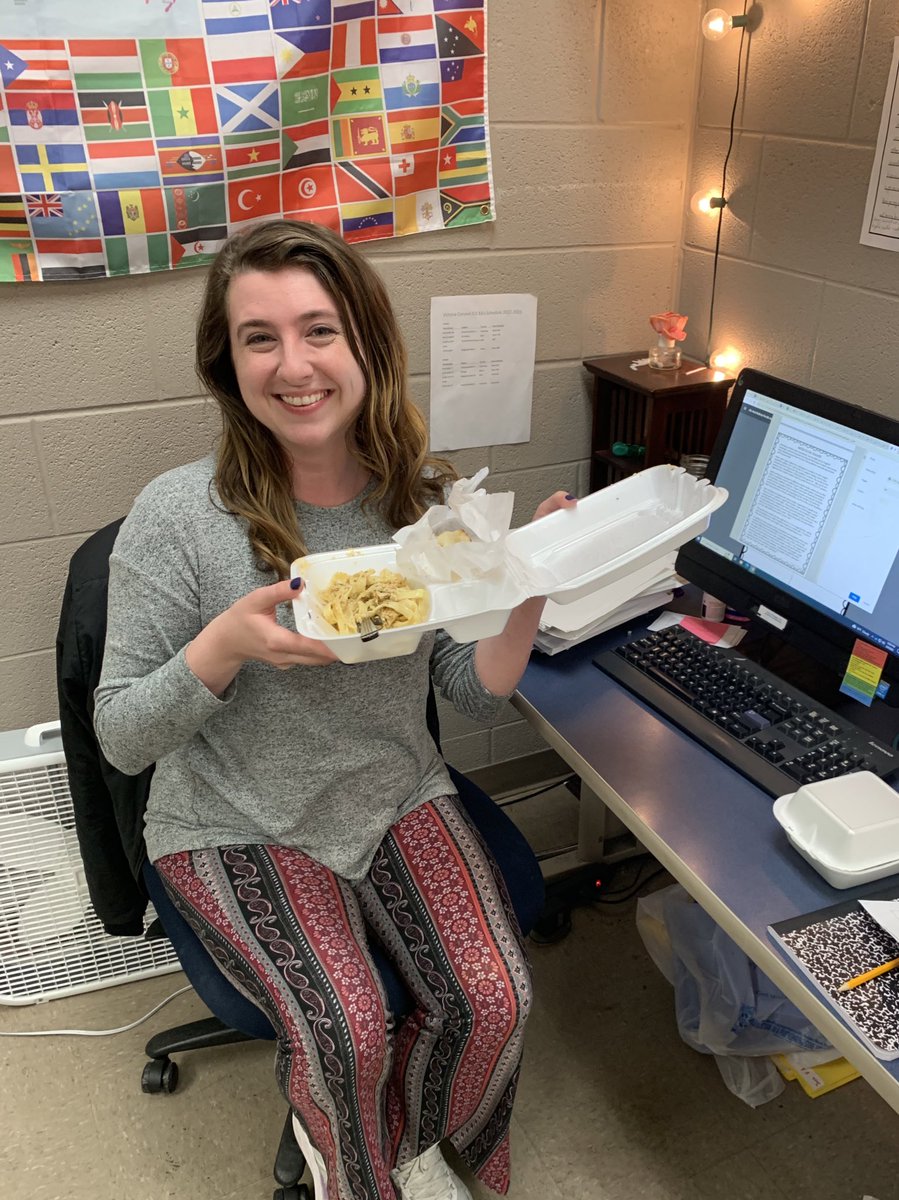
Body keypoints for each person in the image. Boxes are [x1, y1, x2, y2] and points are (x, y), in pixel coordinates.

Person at [93, 219, 575, 1200]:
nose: (293, 364)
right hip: (231, 816)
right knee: (344, 1030)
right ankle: (357, 1182)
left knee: (494, 999)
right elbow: (120, 734)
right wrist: (221, 648)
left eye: (319, 331)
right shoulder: (178, 516)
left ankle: (439, 1153)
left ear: (366, 345)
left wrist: (528, 590)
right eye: (258, 338)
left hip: (393, 787)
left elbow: (460, 683)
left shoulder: (424, 498)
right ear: (227, 364)